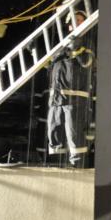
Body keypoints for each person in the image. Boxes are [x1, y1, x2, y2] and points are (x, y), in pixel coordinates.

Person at [45, 11, 94, 167]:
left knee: (74, 134)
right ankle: (56, 165)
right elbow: (48, 66)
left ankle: (77, 166)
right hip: (56, 98)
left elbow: (88, 63)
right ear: (69, 25)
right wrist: (34, 51)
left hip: (75, 99)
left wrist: (77, 49)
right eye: (74, 20)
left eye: (80, 20)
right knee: (54, 132)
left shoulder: (87, 42)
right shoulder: (60, 44)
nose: (77, 23)